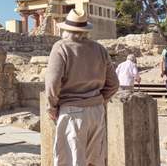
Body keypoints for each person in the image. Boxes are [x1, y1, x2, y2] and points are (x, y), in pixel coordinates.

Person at [45, 9, 119, 166]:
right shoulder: (100, 49)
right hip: (97, 111)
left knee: (71, 161)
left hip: (72, 111)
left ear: (65, 29)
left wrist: (51, 107)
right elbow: (113, 84)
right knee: (95, 161)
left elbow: (52, 83)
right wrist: (99, 100)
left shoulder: (61, 47)